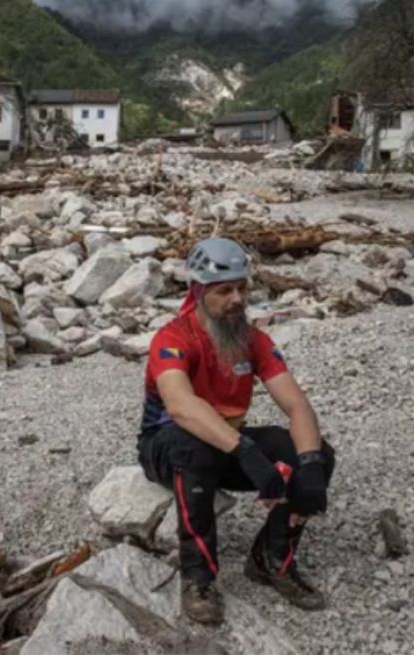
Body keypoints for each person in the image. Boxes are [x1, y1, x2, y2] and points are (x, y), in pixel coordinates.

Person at [137, 237, 336, 625]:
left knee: (314, 451)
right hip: (166, 446)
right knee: (194, 443)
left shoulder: (254, 340)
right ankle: (198, 576)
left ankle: (271, 557)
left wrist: (310, 466)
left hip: (226, 445)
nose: (237, 299)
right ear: (197, 291)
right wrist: (246, 452)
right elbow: (181, 406)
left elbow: (296, 405)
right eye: (224, 290)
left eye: (242, 288)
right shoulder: (172, 339)